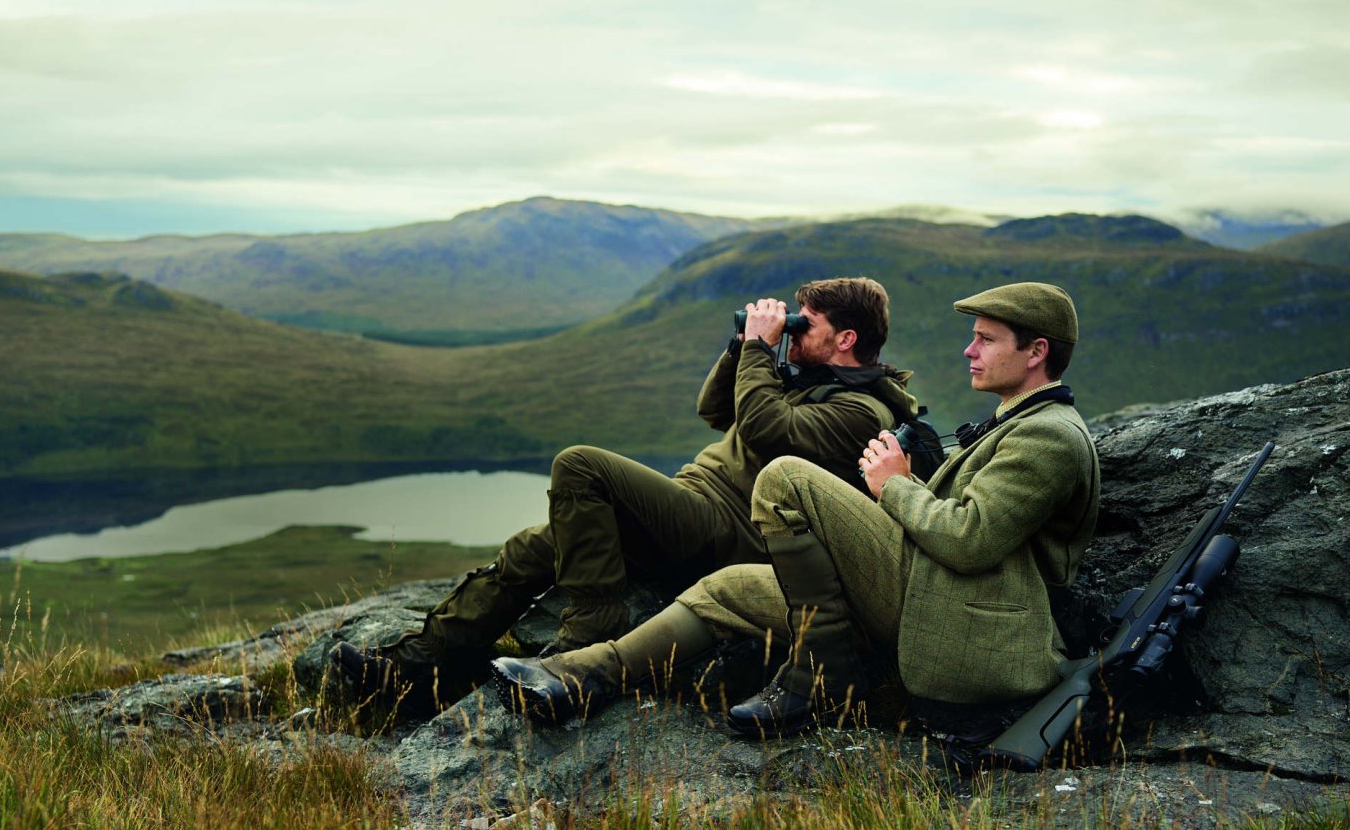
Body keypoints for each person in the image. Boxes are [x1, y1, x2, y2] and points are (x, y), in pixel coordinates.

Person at [490, 282, 1101, 737]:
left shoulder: (1048, 435)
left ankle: (822, 677)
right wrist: (902, 484)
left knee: (785, 478)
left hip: (960, 624)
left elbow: (969, 539)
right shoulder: (1016, 420)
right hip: (928, 592)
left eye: (986, 339)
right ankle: (582, 676)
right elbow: (718, 410)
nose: (969, 350)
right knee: (728, 586)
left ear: (1036, 351)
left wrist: (895, 488)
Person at [332, 277, 926, 717]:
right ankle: (419, 669)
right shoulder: (803, 380)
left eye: (806, 324)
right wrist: (739, 345)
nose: (792, 329)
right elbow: (714, 409)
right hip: (691, 508)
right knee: (535, 548)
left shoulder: (861, 411)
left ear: (846, 338)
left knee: (580, 465)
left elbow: (767, 429)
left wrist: (758, 350)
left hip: (730, 535)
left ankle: (587, 636)